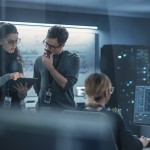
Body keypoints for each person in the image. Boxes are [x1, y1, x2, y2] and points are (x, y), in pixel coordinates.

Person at [84, 72, 150, 150]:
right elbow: (131, 146)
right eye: (111, 90)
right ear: (106, 92)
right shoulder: (113, 118)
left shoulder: (76, 114)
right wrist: (141, 143)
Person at [33, 25, 80, 111]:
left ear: (62, 45)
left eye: (52, 47)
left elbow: (67, 85)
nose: (47, 48)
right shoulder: (39, 60)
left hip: (65, 111)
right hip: (43, 110)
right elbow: (36, 86)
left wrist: (50, 68)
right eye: (46, 44)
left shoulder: (73, 59)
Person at [0, 22, 29, 110]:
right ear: (0, 41)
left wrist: (23, 92)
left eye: (16, 41)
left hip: (17, 109)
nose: (14, 45)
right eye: (10, 42)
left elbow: (21, 97)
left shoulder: (17, 60)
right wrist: (8, 76)